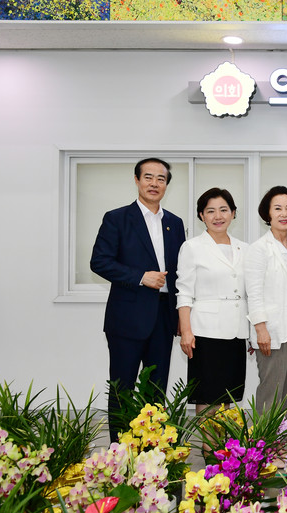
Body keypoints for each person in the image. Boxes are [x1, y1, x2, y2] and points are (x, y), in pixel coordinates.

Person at [90, 157, 185, 441]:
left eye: (161, 179)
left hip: (163, 317)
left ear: (166, 185)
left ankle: (151, 451)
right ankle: (120, 452)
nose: (154, 183)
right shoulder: (117, 218)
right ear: (137, 180)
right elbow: (99, 262)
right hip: (127, 317)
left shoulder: (174, 223)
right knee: (122, 389)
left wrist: (183, 316)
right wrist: (141, 277)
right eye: (148, 177)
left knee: (156, 390)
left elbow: (180, 272)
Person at [176, 188, 249, 418]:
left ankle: (223, 442)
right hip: (205, 332)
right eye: (211, 211)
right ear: (202, 215)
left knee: (228, 396)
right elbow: (184, 292)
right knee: (208, 396)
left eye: (224, 210)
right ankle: (209, 443)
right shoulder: (192, 247)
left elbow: (251, 292)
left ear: (233, 213)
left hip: (237, 330)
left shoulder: (244, 248)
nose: (218, 216)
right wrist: (186, 332)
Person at [245, 186, 287, 418]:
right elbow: (253, 292)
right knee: (271, 389)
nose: (284, 213)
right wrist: (260, 329)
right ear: (267, 213)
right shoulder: (259, 249)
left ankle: (286, 436)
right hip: (272, 325)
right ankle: (266, 439)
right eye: (278, 208)